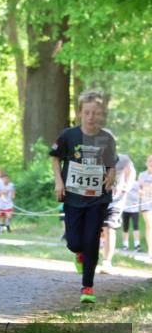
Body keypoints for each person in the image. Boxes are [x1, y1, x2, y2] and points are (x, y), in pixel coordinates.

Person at [50, 91, 117, 303]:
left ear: (102, 115)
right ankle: (78, 254)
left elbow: (112, 164)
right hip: (73, 197)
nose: (91, 117)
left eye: (96, 113)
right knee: (74, 242)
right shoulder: (68, 135)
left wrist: (112, 175)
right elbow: (55, 158)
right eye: (87, 112)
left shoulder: (107, 138)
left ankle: (87, 287)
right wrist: (59, 182)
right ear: (80, 113)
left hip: (98, 198)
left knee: (91, 240)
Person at [100, 153, 135, 272]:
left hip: (116, 200)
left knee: (109, 228)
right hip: (96, 200)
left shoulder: (123, 159)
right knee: (94, 230)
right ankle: (86, 257)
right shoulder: (92, 158)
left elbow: (131, 170)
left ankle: (106, 262)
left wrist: (127, 186)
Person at [121, 160, 141, 252]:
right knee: (125, 227)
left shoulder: (136, 183)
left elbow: (140, 194)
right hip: (125, 208)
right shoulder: (121, 182)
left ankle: (137, 245)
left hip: (134, 209)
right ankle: (125, 245)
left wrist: (138, 199)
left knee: (136, 226)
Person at [140, 155, 152, 256]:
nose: (151, 163)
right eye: (149, 161)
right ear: (146, 163)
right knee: (149, 224)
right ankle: (150, 249)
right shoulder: (142, 175)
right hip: (145, 203)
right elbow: (139, 188)